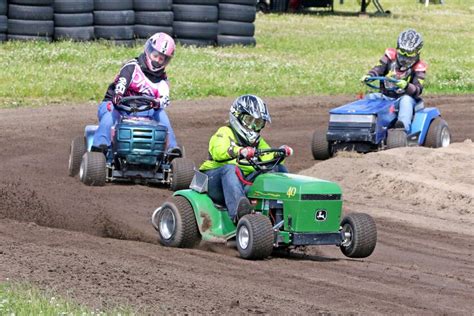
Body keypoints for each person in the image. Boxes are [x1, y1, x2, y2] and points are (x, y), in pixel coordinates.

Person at [199, 95, 294, 224]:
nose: (253, 127)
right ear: (237, 116)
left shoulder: (257, 142)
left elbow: (267, 156)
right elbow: (218, 151)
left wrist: (279, 153)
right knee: (230, 170)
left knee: (278, 169)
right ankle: (239, 217)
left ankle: (287, 211)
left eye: (258, 123)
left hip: (241, 181)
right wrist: (238, 151)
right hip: (214, 180)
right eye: (250, 121)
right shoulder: (225, 132)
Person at [92, 32, 179, 155]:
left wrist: (158, 102)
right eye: (155, 56)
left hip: (144, 110)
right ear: (148, 51)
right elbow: (123, 80)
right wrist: (118, 94)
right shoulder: (133, 67)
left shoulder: (162, 80)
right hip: (118, 106)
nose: (157, 61)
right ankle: (100, 146)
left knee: (161, 114)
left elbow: (165, 98)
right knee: (109, 112)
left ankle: (171, 149)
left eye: (162, 58)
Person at [361, 29, 427, 134]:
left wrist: (406, 86)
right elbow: (378, 68)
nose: (405, 56)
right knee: (370, 98)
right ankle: (364, 127)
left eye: (409, 53)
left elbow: (418, 89)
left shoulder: (419, 67)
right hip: (385, 96)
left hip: (404, 98)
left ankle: (402, 130)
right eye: (402, 51)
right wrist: (369, 76)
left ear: (417, 52)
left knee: (405, 101)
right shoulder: (389, 57)